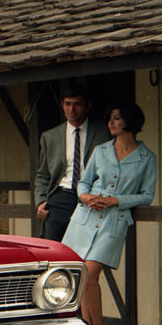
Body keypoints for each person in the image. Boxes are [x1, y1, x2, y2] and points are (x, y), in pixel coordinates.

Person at [61, 102, 157, 325]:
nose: (110, 123)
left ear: (129, 121)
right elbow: (82, 182)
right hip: (85, 217)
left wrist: (117, 201)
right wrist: (85, 197)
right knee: (81, 278)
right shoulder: (100, 151)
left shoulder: (147, 158)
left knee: (90, 274)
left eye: (116, 118)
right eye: (109, 119)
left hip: (114, 221)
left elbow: (147, 196)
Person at [34, 86, 111, 241]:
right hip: (61, 196)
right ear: (62, 105)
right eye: (68, 104)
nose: (72, 109)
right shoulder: (50, 137)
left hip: (91, 197)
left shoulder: (103, 132)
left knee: (86, 248)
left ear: (88, 106)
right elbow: (43, 174)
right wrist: (41, 201)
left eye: (77, 104)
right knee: (54, 249)